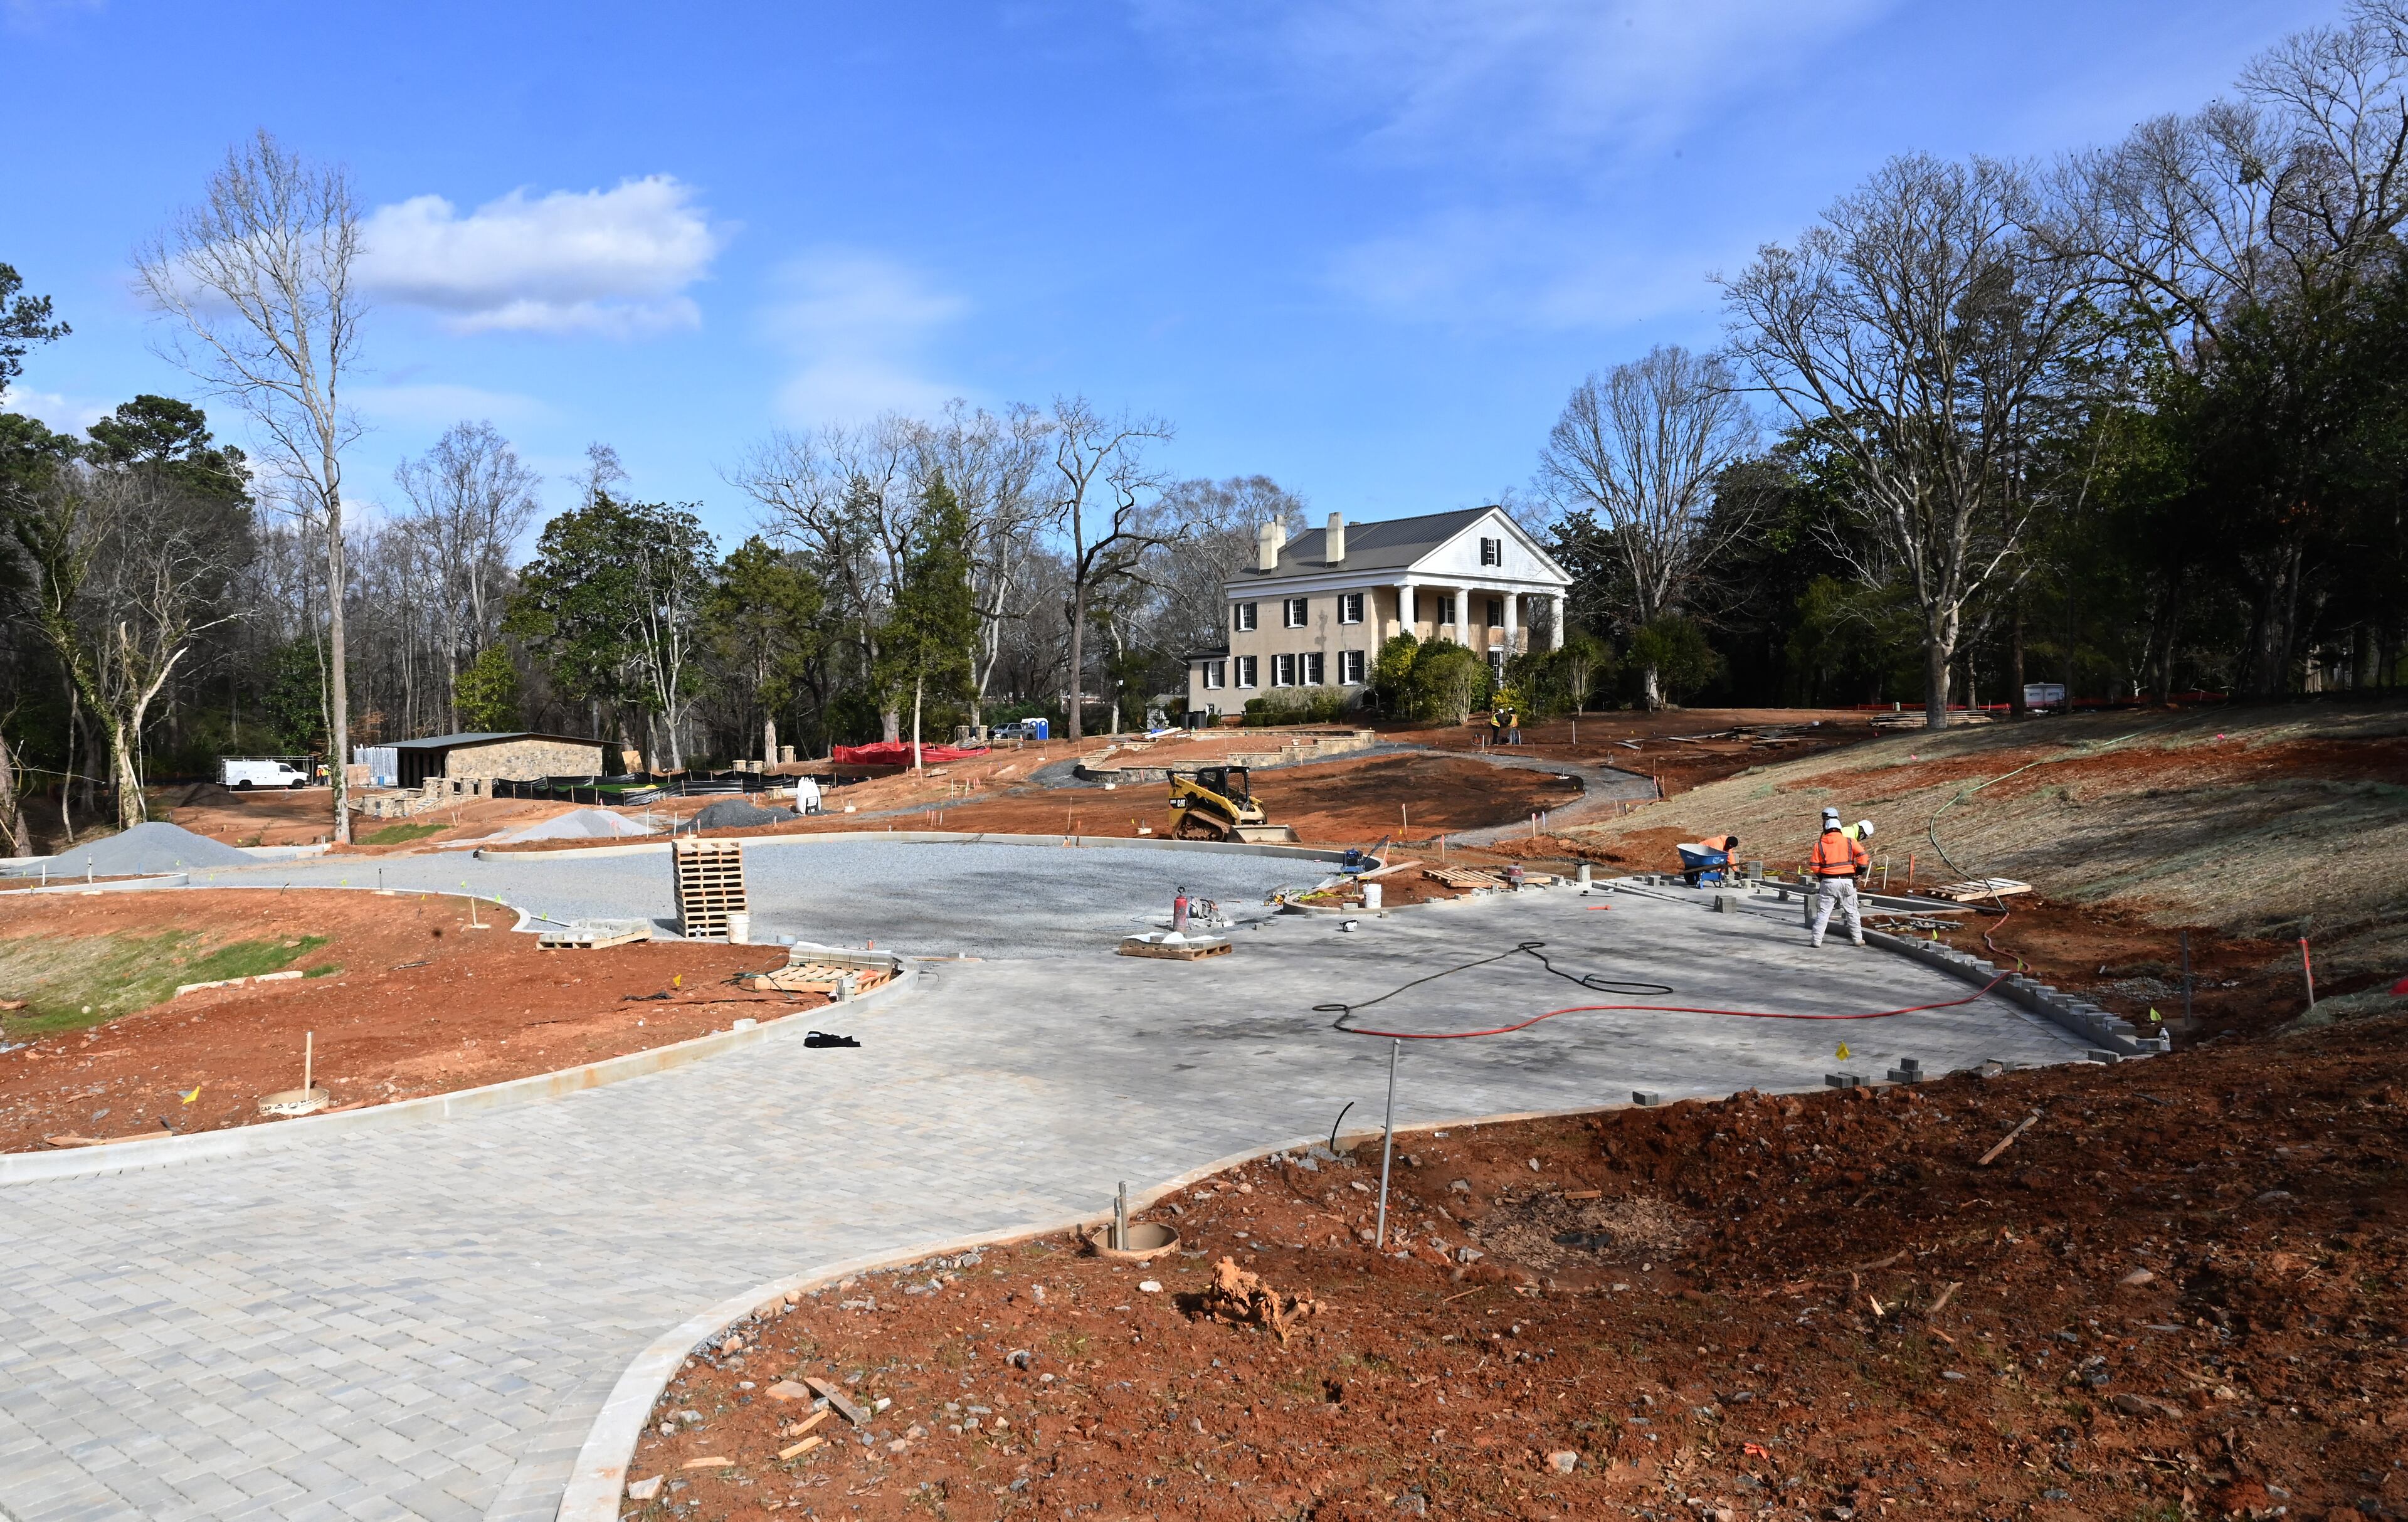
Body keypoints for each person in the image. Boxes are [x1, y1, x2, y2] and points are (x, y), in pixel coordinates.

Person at [1809, 810, 1869, 948]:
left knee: (1824, 913)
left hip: (1828, 881)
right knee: (1852, 911)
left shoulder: (1819, 845)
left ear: (1826, 828)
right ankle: (1857, 939)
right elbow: (1863, 856)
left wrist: (1820, 876)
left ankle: (1816, 941)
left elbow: (1814, 865)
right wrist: (1859, 871)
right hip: (1847, 881)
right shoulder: (1850, 841)